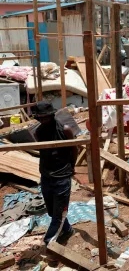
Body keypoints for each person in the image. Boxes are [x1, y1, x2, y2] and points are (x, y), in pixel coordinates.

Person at [33, 101, 78, 245]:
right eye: (41, 118)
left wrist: (72, 166)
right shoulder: (38, 132)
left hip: (62, 176)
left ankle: (49, 243)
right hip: (46, 176)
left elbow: (74, 149)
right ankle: (68, 229)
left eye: (46, 117)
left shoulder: (65, 130)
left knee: (58, 214)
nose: (44, 120)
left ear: (52, 115)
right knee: (53, 211)